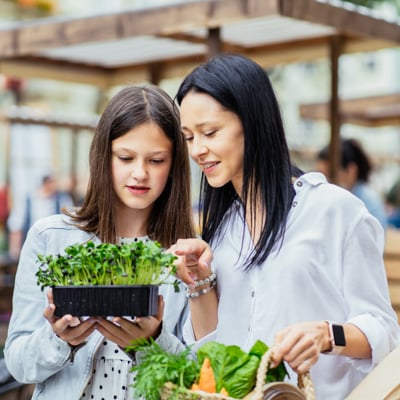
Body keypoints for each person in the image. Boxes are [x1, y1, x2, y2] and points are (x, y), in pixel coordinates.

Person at [168, 54, 400, 400]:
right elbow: (212, 351)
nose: (198, 150)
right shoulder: (222, 229)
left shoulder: (333, 210)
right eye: (189, 137)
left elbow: (384, 332)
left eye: (210, 132)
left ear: (252, 121)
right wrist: (200, 283)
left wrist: (325, 335)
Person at [4, 84, 196, 399]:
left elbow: (197, 377)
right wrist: (59, 340)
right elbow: (18, 363)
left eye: (156, 160)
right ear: (103, 157)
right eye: (125, 157)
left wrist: (152, 341)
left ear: (175, 166)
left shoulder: (186, 257)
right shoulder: (50, 237)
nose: (140, 173)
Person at [316, 138, 388, 230]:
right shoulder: (356, 195)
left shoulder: (364, 201)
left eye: (328, 175)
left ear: (351, 170)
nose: (324, 182)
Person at [7, 174, 75, 260]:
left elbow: (70, 221)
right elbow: (16, 226)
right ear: (45, 183)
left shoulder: (62, 199)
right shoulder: (28, 199)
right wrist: (15, 250)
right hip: (30, 246)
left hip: (54, 247)